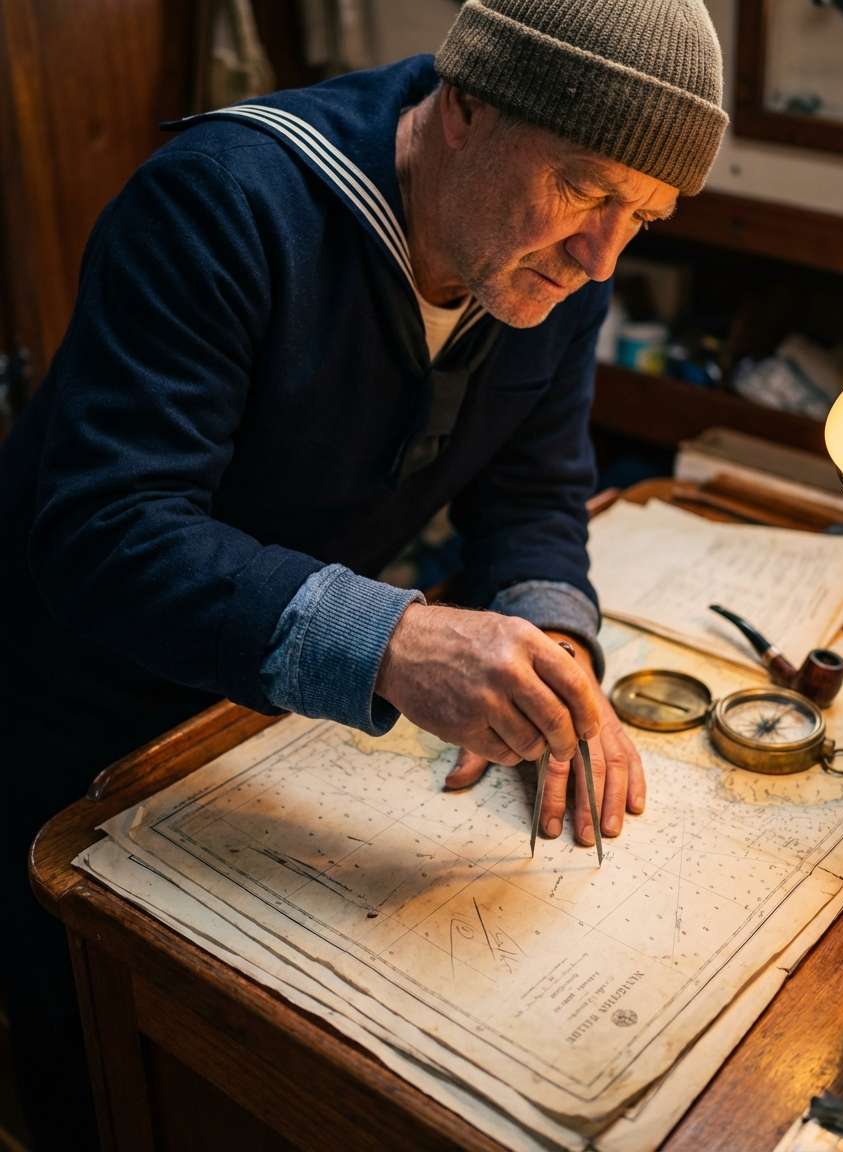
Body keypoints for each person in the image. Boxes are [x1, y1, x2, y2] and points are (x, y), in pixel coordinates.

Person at [0, 0, 727, 1144]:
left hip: (264, 716)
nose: (602, 260)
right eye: (587, 189)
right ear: (468, 104)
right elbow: (106, 529)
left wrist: (554, 654)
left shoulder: (548, 267)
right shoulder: (222, 201)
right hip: (70, 702)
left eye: (644, 217)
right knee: (96, 1057)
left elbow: (533, 493)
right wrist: (394, 641)